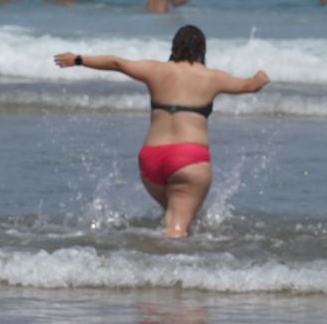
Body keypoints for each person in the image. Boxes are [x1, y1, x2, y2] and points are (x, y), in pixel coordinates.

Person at [52, 27, 267, 238]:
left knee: (176, 217)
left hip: (151, 159)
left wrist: (78, 59)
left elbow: (116, 63)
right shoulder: (212, 77)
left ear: (174, 46)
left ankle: (167, 259)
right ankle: (167, 269)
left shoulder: (155, 70)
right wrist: (262, 77)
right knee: (177, 227)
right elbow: (250, 85)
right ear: (202, 49)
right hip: (188, 159)